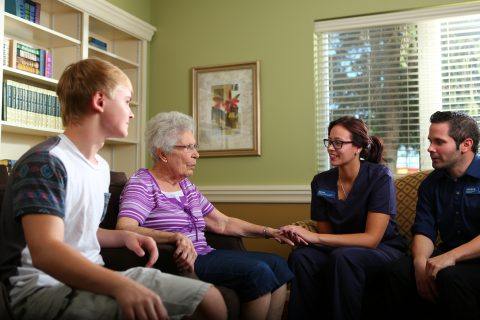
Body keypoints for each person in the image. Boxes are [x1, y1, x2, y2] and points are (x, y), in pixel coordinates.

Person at [0, 59, 226, 320]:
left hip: (91, 275)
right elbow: (46, 251)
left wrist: (123, 237)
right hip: (42, 290)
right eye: (127, 101)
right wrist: (121, 285)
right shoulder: (46, 162)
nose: (131, 113)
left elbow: (78, 229)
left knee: (210, 299)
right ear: (100, 101)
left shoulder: (99, 167)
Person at [116, 111, 294, 320]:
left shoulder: (186, 186)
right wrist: (174, 237)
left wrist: (269, 232)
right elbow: (125, 227)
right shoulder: (143, 183)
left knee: (278, 265)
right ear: (163, 153)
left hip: (205, 253)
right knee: (258, 271)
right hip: (178, 260)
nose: (196, 154)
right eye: (189, 147)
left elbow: (222, 222)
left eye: (195, 146)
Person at [281, 116, 406, 320]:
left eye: (338, 143)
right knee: (301, 257)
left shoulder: (379, 177)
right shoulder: (321, 182)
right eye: (329, 142)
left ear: (357, 147)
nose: (331, 147)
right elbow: (326, 232)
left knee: (344, 257)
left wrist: (315, 238)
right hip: (340, 248)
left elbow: (371, 239)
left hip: (383, 248)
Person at [383, 111, 480, 320]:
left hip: (472, 260)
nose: (430, 148)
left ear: (466, 144)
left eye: (439, 142)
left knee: (449, 276)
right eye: (429, 141)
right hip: (447, 256)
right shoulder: (431, 183)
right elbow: (424, 229)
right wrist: (419, 263)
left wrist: (451, 257)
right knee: (399, 270)